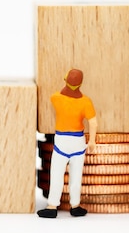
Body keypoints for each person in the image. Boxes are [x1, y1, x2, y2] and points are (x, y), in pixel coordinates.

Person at [37, 69, 97, 218]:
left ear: (65, 80)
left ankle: (52, 206)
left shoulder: (56, 98)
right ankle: (75, 206)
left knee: (56, 174)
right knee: (76, 176)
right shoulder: (86, 101)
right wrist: (92, 141)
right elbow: (93, 123)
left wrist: (67, 84)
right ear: (81, 84)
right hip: (78, 142)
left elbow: (59, 93)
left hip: (62, 142)